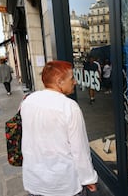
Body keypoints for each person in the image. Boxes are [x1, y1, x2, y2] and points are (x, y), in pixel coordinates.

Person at [21, 60, 98, 196]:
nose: (75, 82)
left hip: (34, 179)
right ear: (59, 81)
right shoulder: (69, 106)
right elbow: (79, 149)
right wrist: (88, 178)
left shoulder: (28, 101)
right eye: (72, 78)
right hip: (63, 184)